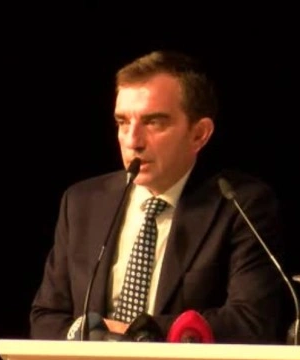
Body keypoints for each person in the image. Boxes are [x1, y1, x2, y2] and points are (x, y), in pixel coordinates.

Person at [29, 50, 286, 344]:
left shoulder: (239, 205)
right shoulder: (82, 203)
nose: (133, 141)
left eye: (153, 122)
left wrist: (136, 333)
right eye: (123, 122)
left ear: (199, 134)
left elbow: (250, 321)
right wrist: (95, 336)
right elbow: (46, 318)